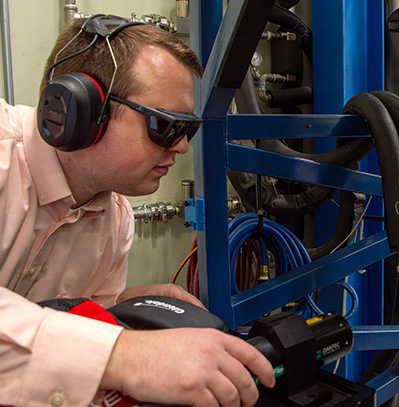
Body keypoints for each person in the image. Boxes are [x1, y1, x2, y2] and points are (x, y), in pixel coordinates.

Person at [0, 15, 274, 407]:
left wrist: (124, 306)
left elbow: (66, 315)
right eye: (165, 126)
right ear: (80, 110)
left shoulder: (115, 219)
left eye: (188, 130)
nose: (181, 147)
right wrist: (125, 355)